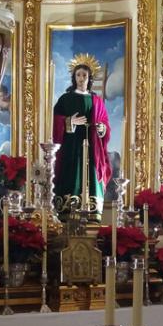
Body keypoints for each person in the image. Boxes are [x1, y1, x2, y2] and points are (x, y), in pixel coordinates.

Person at [52, 63, 111, 216]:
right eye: (78, 75)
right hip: (71, 145)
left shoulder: (96, 100)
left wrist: (101, 129)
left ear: (89, 78)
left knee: (91, 171)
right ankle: (68, 208)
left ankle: (92, 210)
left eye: (84, 75)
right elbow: (54, 120)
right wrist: (69, 121)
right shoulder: (65, 99)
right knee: (71, 172)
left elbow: (104, 121)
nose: (81, 78)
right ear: (74, 77)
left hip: (92, 145)